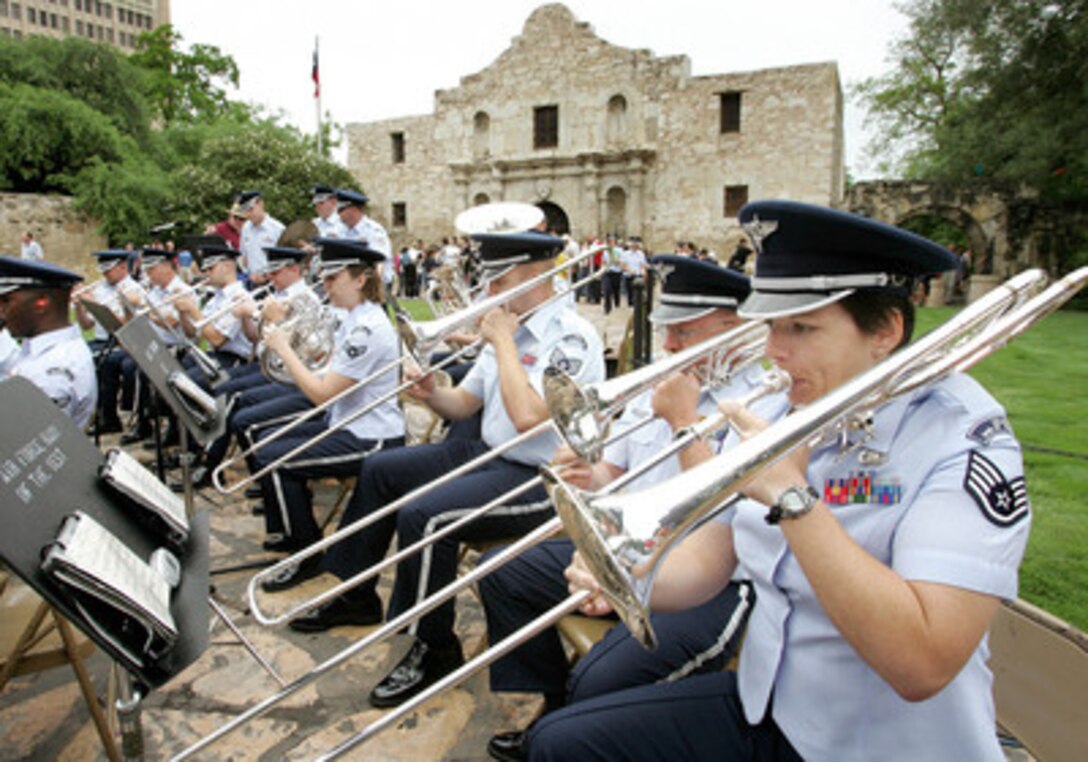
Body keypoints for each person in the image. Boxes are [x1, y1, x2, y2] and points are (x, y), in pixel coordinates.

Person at [535, 200, 1030, 761]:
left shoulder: (961, 439)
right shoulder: (782, 410)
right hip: (774, 709)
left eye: (802, 327)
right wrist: (629, 576)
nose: (773, 351)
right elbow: (713, 558)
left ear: (886, 331)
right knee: (560, 745)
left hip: (882, 745)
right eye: (772, 325)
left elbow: (922, 663)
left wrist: (793, 499)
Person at [480, 255, 789, 762]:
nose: (667, 346)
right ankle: (556, 707)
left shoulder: (768, 401)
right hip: (628, 548)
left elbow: (722, 520)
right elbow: (616, 474)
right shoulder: (659, 381)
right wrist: (588, 473)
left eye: (684, 332)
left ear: (735, 330)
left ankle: (576, 720)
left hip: (716, 581)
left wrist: (685, 422)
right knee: (500, 573)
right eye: (664, 330)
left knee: (601, 678)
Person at [278, 229, 605, 708]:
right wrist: (431, 392)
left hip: (541, 476)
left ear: (538, 276)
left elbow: (529, 417)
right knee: (382, 468)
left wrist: (504, 345)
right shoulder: (508, 325)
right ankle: (357, 593)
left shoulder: (573, 337)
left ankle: (434, 645)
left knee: (426, 517)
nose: (491, 294)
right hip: (488, 454)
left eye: (501, 281)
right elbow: (464, 404)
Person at [252, 239, 406, 568]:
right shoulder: (351, 318)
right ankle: (298, 539)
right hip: (346, 422)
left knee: (273, 460)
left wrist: (284, 348)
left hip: (371, 436)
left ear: (360, 280)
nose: (325, 286)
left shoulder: (368, 328)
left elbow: (323, 394)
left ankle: (304, 556)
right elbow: (323, 369)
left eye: (332, 278)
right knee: (266, 441)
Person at [0, 256, 96, 428]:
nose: (1, 310)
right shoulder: (41, 348)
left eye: (6, 300)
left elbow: (24, 442)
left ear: (41, 302)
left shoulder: (50, 374)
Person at [73, 249, 146, 434]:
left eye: (109, 269)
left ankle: (109, 417)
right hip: (100, 340)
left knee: (103, 362)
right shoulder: (100, 288)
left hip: (120, 342)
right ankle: (93, 413)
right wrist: (79, 307)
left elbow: (123, 327)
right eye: (103, 270)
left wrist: (97, 304)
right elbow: (87, 325)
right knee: (77, 356)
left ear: (123, 267)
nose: (104, 274)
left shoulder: (133, 290)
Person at [237, 190, 285, 287]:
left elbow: (284, 260)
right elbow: (244, 256)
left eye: (251, 209)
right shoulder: (246, 228)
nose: (248, 214)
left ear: (260, 204)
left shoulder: (277, 229)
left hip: (272, 282)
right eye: (245, 211)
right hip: (251, 281)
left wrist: (267, 276)